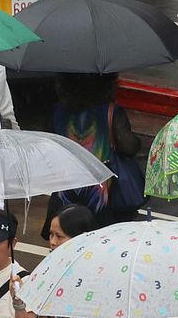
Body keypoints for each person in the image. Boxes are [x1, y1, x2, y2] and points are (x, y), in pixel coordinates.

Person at [48, 73, 142, 221]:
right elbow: (128, 147)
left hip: (66, 191)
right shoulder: (110, 111)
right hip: (103, 196)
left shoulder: (58, 112)